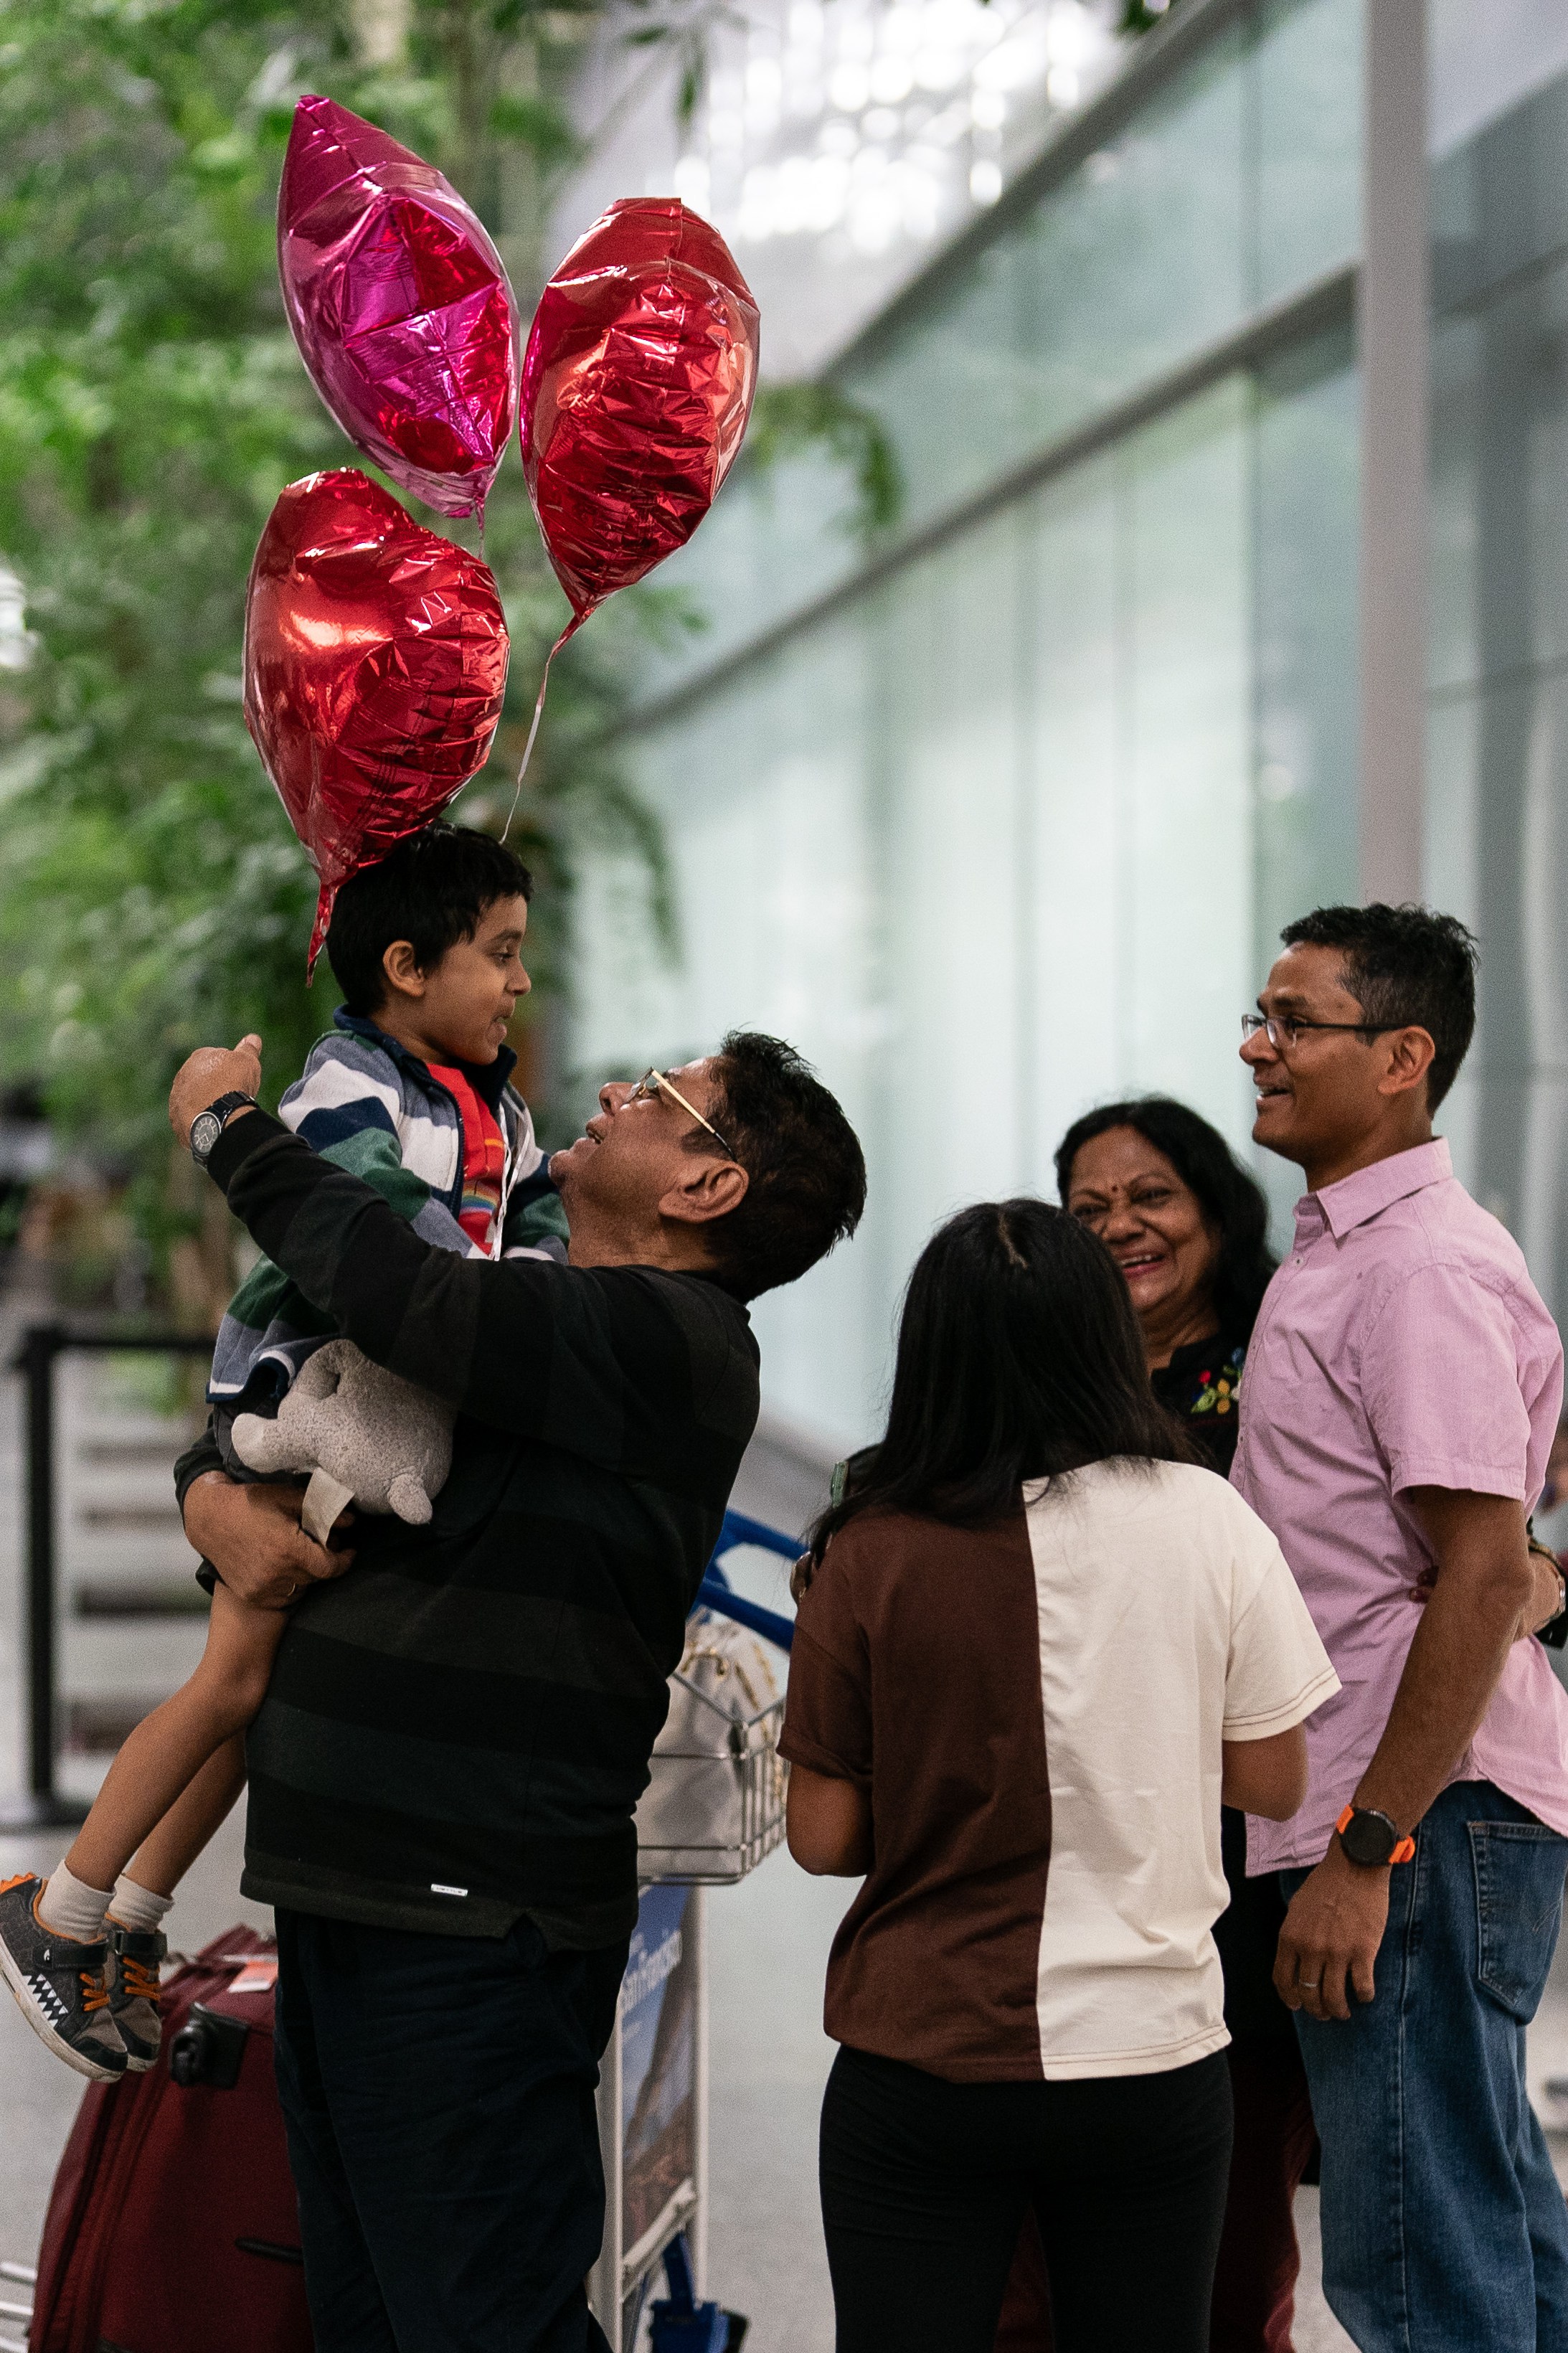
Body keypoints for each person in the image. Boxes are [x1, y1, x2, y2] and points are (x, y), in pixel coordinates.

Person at [158, 1019, 860, 2353]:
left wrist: (230, 1130)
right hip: (354, 1887)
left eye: (657, 1096)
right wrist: (206, 1491)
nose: (608, 1093)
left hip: (472, 1921)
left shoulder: (670, 1339)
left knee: (482, 2315)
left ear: (705, 1186)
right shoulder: (534, 1310)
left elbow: (399, 1294)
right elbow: (302, 1387)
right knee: (368, 2306)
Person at [0, 824, 566, 2084]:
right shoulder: (346, 1082)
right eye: (502, 953)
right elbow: (360, 1227)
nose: (521, 981)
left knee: (252, 1711)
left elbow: (535, 1220)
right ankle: (56, 1914)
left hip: (381, 1421)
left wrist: (523, 1278)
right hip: (296, 1401)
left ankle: (128, 1925)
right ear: (408, 965)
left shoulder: (501, 1104)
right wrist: (469, 1297)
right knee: (229, 1686)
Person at [780, 1197, 1338, 2353]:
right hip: (1151, 2057)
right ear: (1100, 1336)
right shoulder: (1208, 1516)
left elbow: (825, 1837)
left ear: (927, 1353)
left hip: (923, 2059)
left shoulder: (868, 1544)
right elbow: (1275, 1780)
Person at [1233, 902, 1568, 2353]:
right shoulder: (1357, 1250)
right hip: (1416, 1806)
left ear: (1402, 1057)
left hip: (1414, 1820)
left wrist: (1367, 1848)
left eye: (1295, 1021)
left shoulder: (1413, 1264)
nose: (1258, 1045)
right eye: (1257, 1015)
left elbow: (1484, 1574)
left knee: (1415, 2260)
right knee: (1482, 2221)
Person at [1058, 1098, 1316, 2353]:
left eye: (1148, 1197)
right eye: (1088, 1208)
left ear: (1213, 1207)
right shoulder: (1047, 1377)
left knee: (1223, 2234)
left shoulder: (1283, 1359)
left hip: (1233, 1826)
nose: (1120, 1227)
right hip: (1067, 1838)